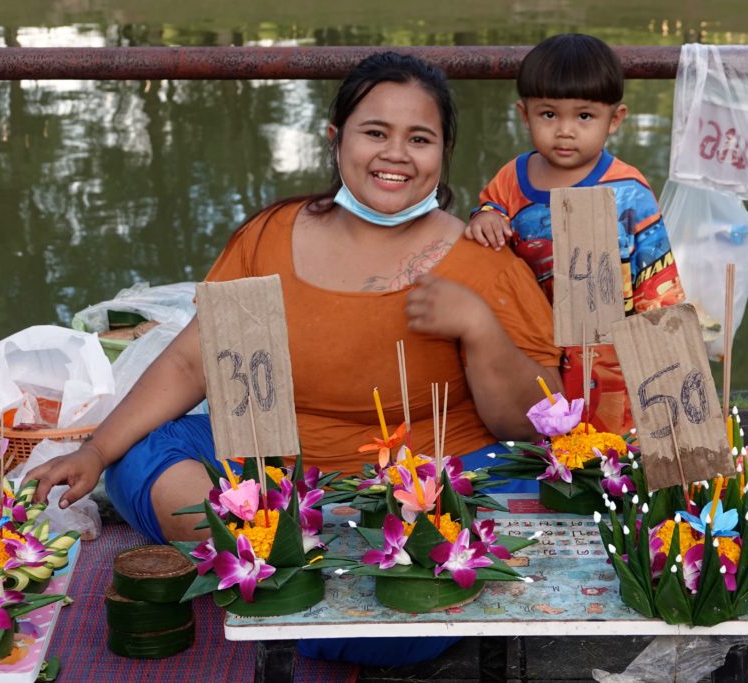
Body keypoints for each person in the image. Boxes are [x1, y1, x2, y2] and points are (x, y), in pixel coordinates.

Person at [27, 52, 561, 667]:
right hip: (277, 469)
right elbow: (191, 365)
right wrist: (93, 451)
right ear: (336, 139)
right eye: (374, 133)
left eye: (420, 138)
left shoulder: (482, 257)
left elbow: (525, 422)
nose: (395, 155)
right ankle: (282, 550)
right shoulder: (272, 234)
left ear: (443, 153)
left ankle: (288, 569)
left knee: (425, 600)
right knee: (137, 457)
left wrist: (478, 329)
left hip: (433, 472)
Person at [463, 33, 685, 435]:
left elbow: (657, 283)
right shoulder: (512, 178)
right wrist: (486, 215)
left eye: (583, 117)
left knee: (607, 436)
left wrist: (665, 367)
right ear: (524, 114)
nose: (565, 131)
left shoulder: (629, 192)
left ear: (614, 120)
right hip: (534, 344)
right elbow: (489, 209)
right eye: (549, 115)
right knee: (543, 434)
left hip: (606, 351)